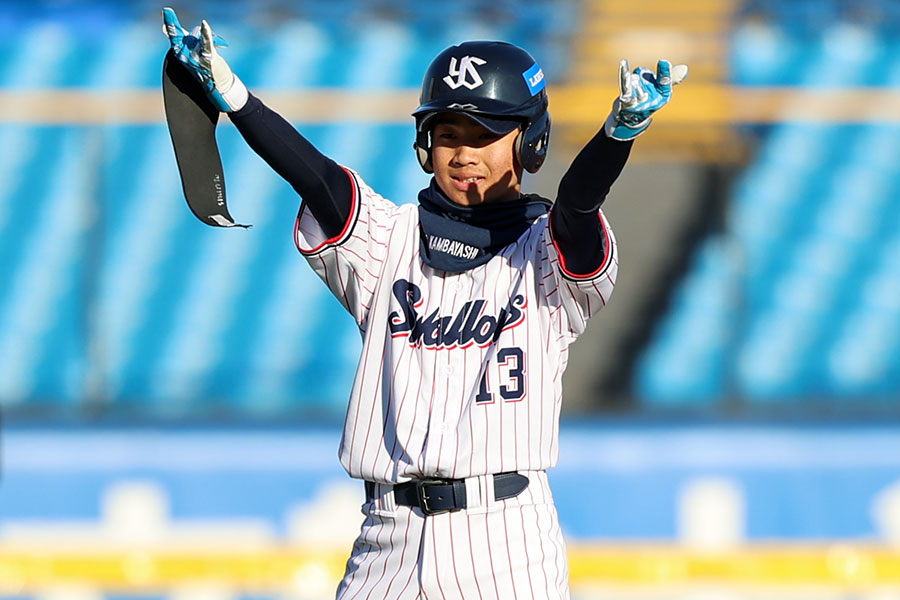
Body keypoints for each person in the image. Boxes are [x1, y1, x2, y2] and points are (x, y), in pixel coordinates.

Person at [162, 8, 685, 599]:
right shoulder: (389, 240)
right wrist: (235, 96)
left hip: (505, 540)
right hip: (387, 538)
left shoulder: (545, 255)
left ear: (531, 141)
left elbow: (578, 208)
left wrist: (617, 135)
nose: (464, 153)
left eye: (486, 135)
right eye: (448, 135)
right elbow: (319, 181)